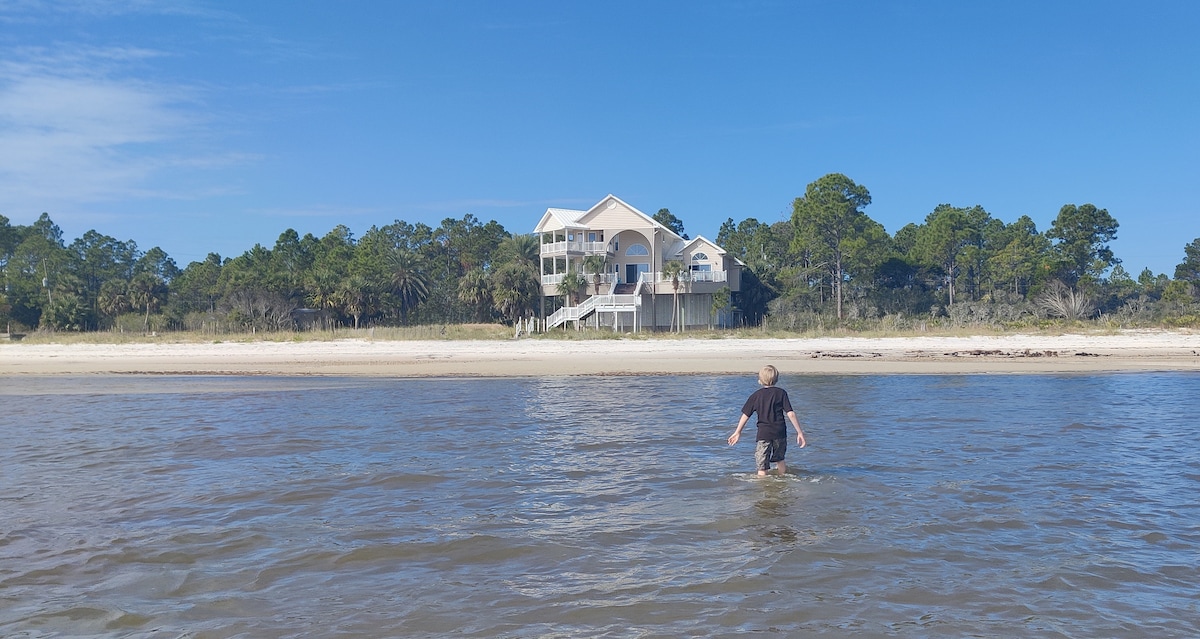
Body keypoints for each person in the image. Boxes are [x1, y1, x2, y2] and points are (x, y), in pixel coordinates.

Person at [728, 364, 806, 476]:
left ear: (760, 380)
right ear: (776, 379)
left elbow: (746, 415)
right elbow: (791, 414)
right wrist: (799, 432)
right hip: (780, 433)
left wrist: (738, 431)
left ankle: (763, 487)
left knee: (762, 465)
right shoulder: (781, 393)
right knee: (780, 459)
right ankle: (782, 480)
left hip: (764, 434)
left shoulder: (756, 396)